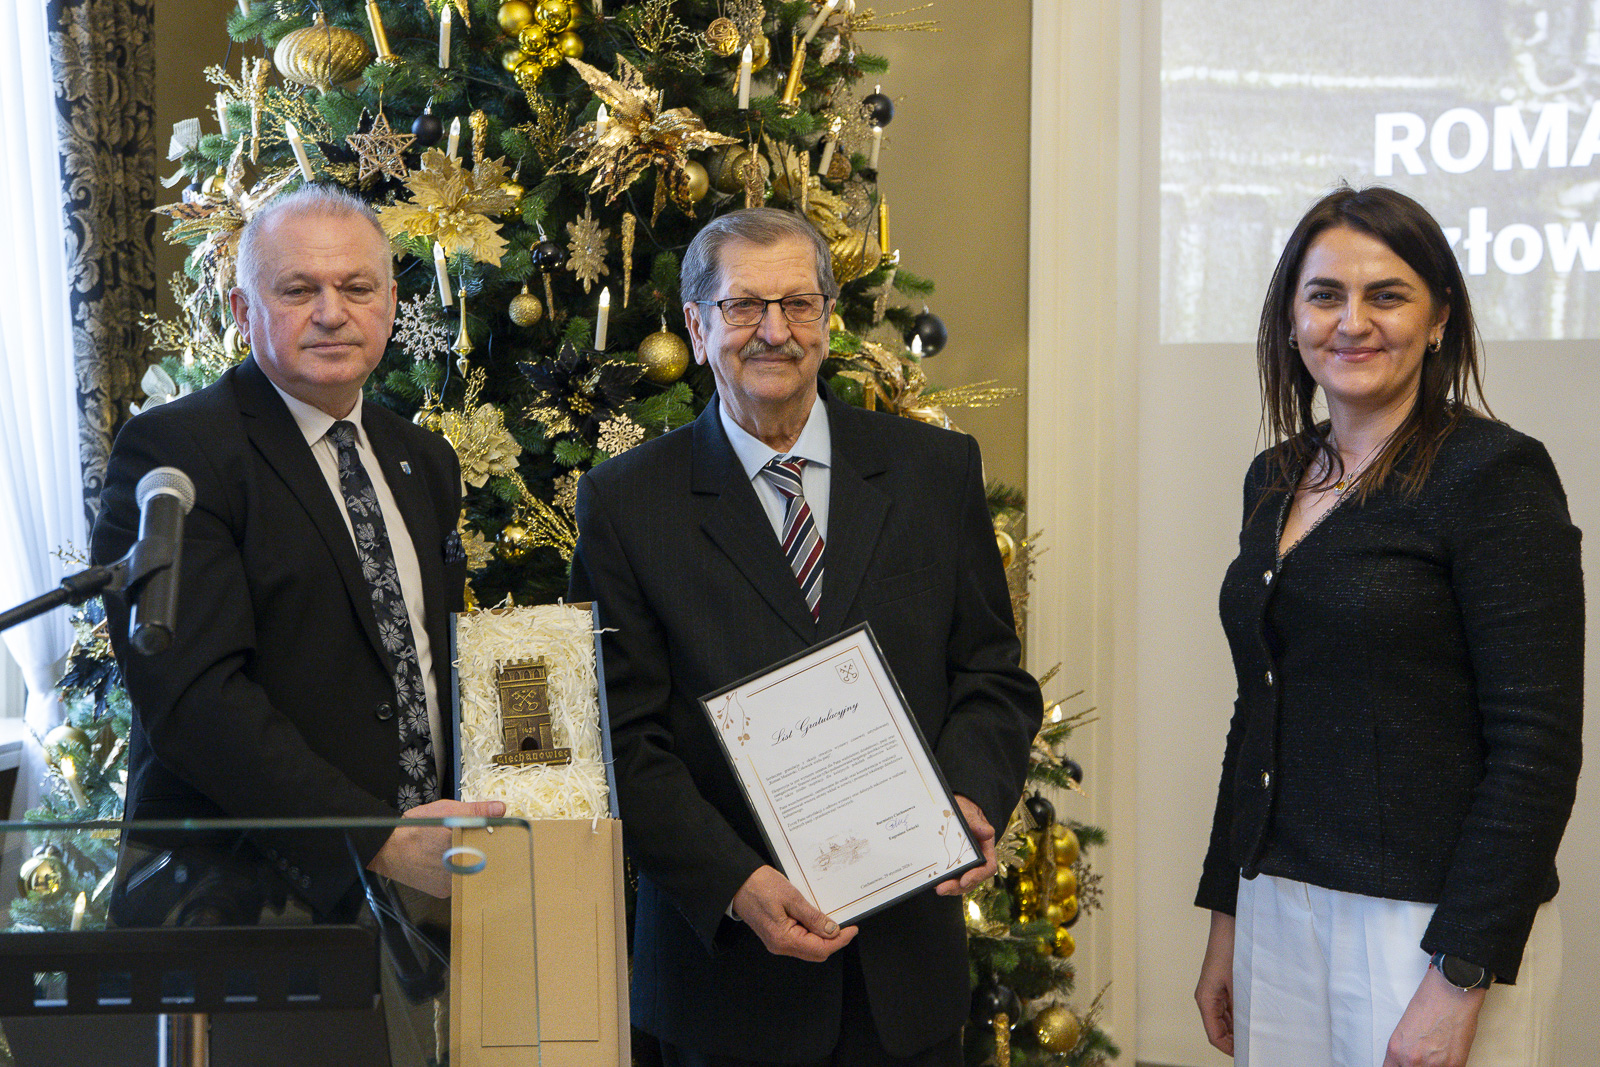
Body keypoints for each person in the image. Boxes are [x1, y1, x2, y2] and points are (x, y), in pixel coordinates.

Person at [568, 207, 1042, 1065]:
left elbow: (991, 675)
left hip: (907, 977)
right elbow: (620, 737)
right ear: (696, 326)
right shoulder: (628, 503)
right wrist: (735, 883)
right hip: (726, 986)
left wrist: (968, 797)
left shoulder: (935, 473)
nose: (775, 330)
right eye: (744, 306)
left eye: (799, 303)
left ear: (829, 318)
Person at [1194, 185, 1583, 1067]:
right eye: (1325, 295)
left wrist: (1461, 971)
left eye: (1388, 295)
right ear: (1291, 320)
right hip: (1277, 909)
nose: (1352, 322)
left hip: (1431, 929)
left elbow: (1536, 746)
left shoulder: (1495, 475)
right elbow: (1258, 711)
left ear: (1439, 318)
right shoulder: (1274, 476)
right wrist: (1227, 915)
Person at [92, 185, 502, 915]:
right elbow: (195, 700)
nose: (332, 312)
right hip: (244, 900)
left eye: (357, 288)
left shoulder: (423, 458)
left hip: (426, 884)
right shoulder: (177, 452)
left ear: (391, 306)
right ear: (243, 310)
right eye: (298, 289)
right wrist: (370, 838)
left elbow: (428, 659)